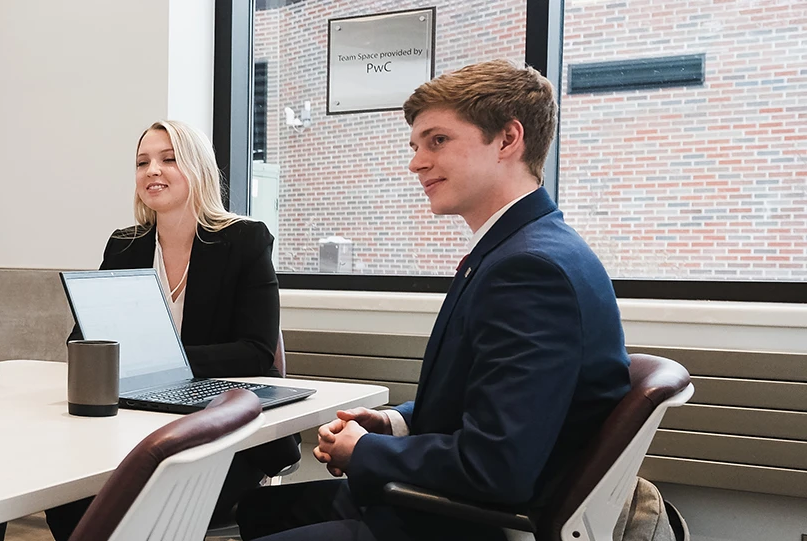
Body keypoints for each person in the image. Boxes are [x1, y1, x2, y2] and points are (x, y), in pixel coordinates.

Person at [237, 60, 632, 541]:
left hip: (458, 524)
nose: (416, 162)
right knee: (254, 509)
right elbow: (482, 409)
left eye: (437, 141)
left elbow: (497, 466)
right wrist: (392, 423)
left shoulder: (529, 271)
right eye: (415, 146)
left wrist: (363, 451)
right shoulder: (521, 249)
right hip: (439, 506)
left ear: (508, 139)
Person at [44, 120, 297, 539]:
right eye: (142, 162)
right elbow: (85, 341)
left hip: (224, 425)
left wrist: (161, 362)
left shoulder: (246, 240)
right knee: (68, 500)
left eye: (168, 159)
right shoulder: (125, 245)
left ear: (197, 168)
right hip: (133, 419)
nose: (152, 171)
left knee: (139, 500)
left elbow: (255, 351)